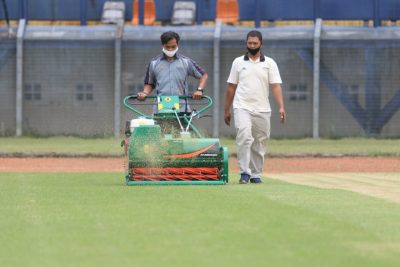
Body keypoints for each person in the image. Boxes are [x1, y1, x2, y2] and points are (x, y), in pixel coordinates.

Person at [224, 30, 286, 184]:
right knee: (244, 137)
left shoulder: (269, 63)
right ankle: (244, 173)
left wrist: (281, 107)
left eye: (255, 43)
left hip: (262, 108)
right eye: (249, 43)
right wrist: (226, 109)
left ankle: (255, 174)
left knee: (260, 141)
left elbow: (276, 86)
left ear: (261, 44)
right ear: (246, 43)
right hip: (241, 107)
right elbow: (231, 86)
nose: (252, 46)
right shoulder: (238, 62)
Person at [137, 31, 208, 103]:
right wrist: (144, 93)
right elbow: (149, 83)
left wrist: (199, 90)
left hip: (181, 108)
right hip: (160, 107)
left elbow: (203, 75)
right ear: (162, 45)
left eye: (173, 47)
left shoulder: (186, 62)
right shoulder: (153, 63)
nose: (170, 49)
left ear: (177, 45)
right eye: (167, 47)